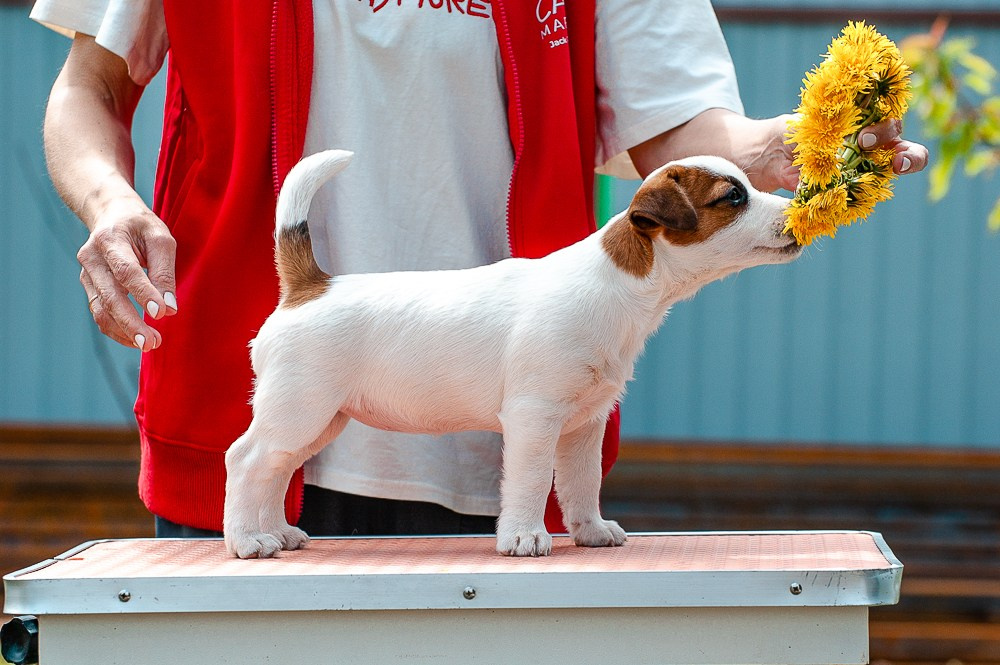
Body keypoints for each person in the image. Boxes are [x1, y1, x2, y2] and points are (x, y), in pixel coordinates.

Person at [32, 0, 928, 540]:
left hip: (497, 464)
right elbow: (88, 89)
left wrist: (782, 149)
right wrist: (109, 203)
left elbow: (680, 132)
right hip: (244, 392)